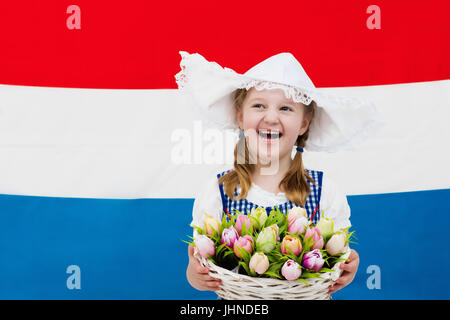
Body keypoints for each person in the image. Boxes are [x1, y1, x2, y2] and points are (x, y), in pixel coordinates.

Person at [175, 51, 383, 297]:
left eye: (286, 108)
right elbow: (200, 267)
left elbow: (337, 261)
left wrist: (347, 267)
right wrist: (195, 276)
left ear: (304, 124)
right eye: (259, 105)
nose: (271, 117)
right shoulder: (219, 190)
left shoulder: (324, 191)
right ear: (241, 116)